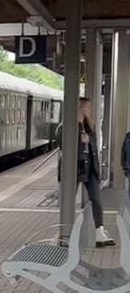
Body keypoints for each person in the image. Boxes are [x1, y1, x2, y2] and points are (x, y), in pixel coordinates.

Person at [57, 98, 114, 247]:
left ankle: (99, 233)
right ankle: (65, 232)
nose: (89, 110)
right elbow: (60, 142)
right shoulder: (68, 125)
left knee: (97, 200)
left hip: (90, 168)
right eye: (87, 107)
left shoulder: (90, 125)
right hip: (75, 168)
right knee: (68, 200)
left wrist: (89, 139)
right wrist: (79, 138)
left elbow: (94, 148)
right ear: (81, 108)